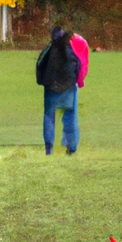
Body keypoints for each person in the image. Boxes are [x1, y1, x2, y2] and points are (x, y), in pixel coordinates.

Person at [36, 27, 82, 155]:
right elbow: (78, 66)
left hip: (51, 88)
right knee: (70, 116)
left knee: (49, 117)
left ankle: (49, 148)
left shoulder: (49, 50)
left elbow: (40, 65)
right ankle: (72, 147)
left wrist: (43, 82)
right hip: (68, 88)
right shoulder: (70, 50)